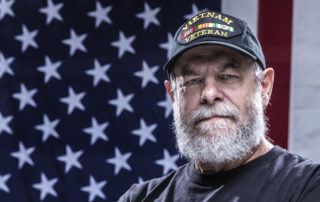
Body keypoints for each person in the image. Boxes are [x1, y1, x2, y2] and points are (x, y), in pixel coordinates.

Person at [118, 10, 320, 202]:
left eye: (228, 76)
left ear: (264, 88)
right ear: (173, 96)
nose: (209, 94)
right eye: (192, 80)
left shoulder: (308, 186)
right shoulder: (140, 198)